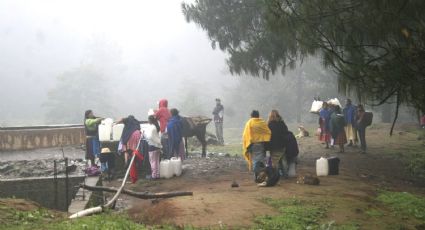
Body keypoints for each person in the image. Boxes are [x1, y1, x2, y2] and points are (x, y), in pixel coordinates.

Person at [242, 110, 271, 186]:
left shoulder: (250, 122)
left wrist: (247, 144)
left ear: (251, 116)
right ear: (258, 115)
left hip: (253, 144)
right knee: (261, 160)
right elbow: (268, 132)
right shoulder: (262, 122)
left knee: (255, 161)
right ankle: (261, 176)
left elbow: (246, 134)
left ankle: (258, 177)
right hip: (262, 144)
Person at [267, 110, 288, 177]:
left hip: (273, 146)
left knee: (275, 162)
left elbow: (267, 135)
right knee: (283, 159)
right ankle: (285, 174)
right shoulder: (282, 123)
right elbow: (286, 132)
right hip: (282, 144)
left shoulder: (269, 125)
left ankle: (276, 175)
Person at [145, 115, 162, 179]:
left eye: (148, 120)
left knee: (152, 161)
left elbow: (150, 136)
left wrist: (145, 135)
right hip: (158, 146)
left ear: (150, 120)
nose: (148, 121)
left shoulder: (152, 127)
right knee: (157, 161)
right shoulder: (157, 127)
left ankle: (153, 175)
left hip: (152, 146)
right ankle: (157, 174)